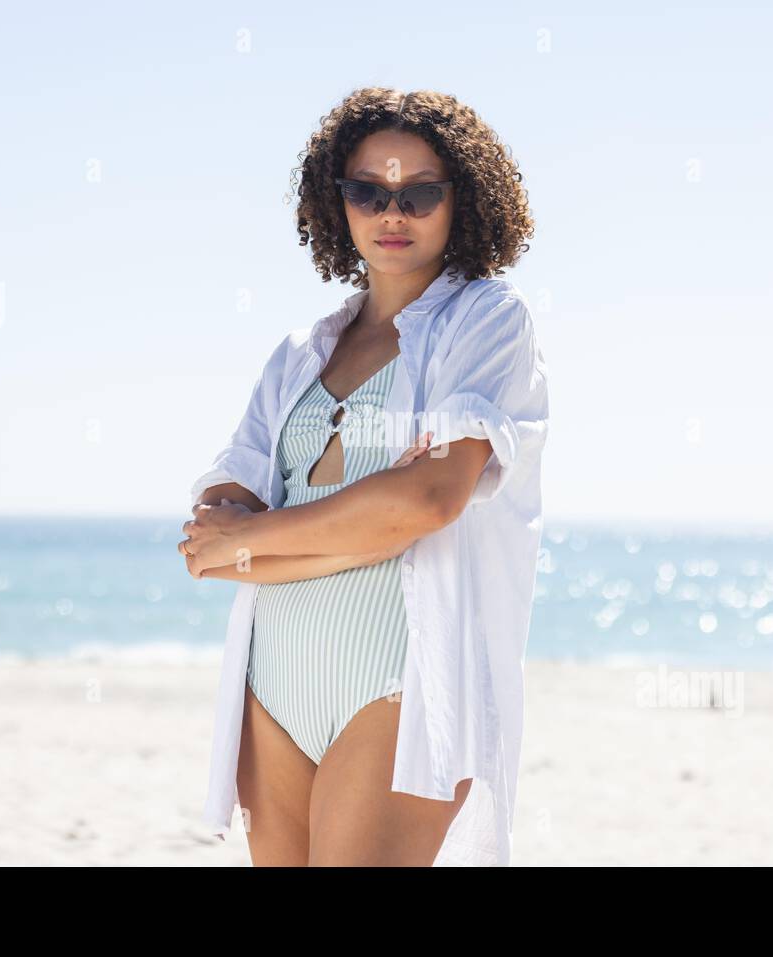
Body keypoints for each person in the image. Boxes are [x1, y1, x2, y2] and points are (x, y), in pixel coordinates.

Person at [181, 87, 548, 866]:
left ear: (462, 202)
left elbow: (430, 496)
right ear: (333, 199)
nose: (393, 212)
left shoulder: (485, 322)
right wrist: (367, 534)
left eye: (419, 193)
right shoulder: (298, 353)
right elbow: (212, 540)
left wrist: (263, 540)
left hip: (399, 682)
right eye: (367, 191)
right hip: (272, 685)